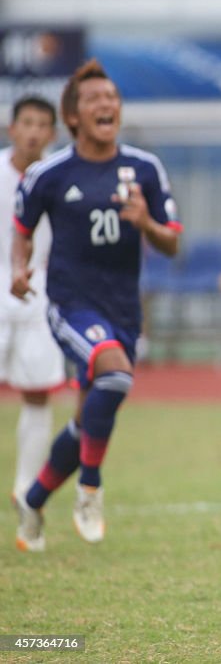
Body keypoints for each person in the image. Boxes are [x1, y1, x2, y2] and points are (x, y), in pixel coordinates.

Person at [11, 59, 182, 551]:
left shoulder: (145, 168)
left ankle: (35, 499)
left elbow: (172, 243)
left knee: (91, 415)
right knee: (114, 373)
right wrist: (20, 268)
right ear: (74, 117)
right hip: (69, 302)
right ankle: (90, 488)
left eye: (112, 97)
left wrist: (147, 223)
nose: (106, 104)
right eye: (94, 99)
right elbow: (20, 233)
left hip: (123, 309)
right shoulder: (48, 175)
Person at [2, 96, 66, 507]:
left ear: (53, 133)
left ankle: (26, 490)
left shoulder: (59, 177)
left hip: (40, 291)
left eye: (42, 124)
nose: (34, 131)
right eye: (26, 122)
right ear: (12, 129)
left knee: (38, 391)